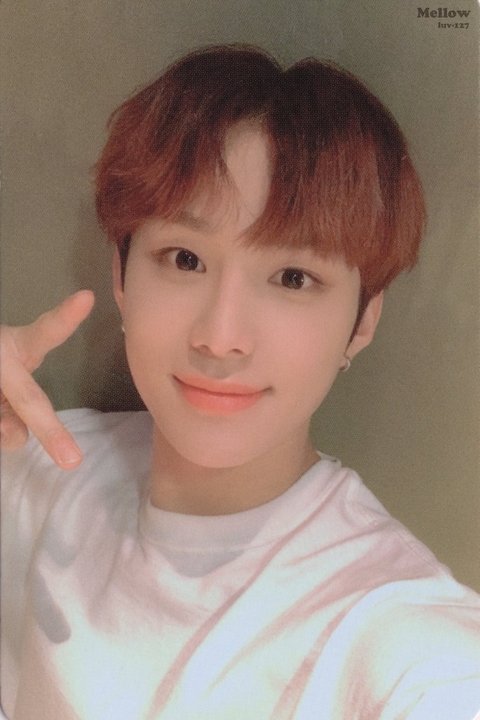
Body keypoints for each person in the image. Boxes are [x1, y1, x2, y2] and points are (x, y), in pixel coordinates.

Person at [1, 45, 479, 720]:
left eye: (293, 278)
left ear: (363, 320)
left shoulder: (400, 640)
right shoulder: (37, 468)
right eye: (185, 259)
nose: (220, 337)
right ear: (121, 277)